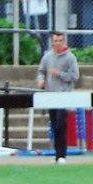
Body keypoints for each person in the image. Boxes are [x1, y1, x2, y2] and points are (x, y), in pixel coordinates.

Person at [37, 30, 80, 163]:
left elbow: (75, 76)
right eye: (55, 41)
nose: (57, 43)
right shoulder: (47, 57)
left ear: (64, 41)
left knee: (61, 125)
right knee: (55, 125)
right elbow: (41, 71)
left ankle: (62, 155)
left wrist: (59, 73)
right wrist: (41, 80)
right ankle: (57, 155)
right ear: (52, 42)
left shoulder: (70, 57)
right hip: (51, 95)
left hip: (64, 95)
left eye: (60, 41)